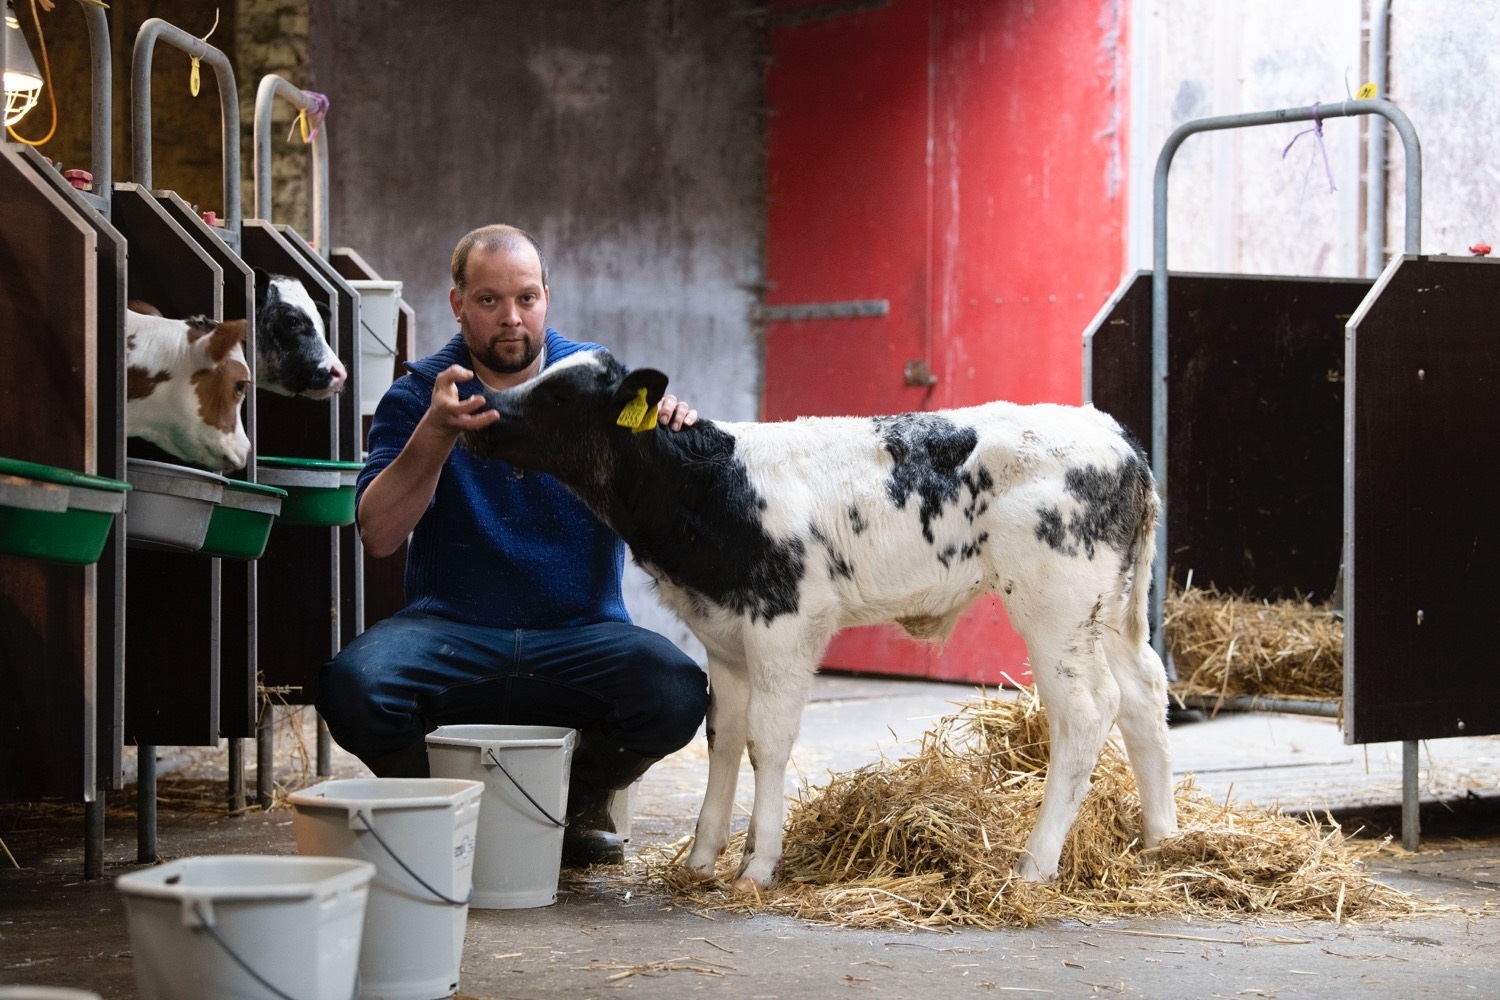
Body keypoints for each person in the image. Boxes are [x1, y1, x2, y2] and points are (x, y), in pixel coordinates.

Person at [317, 223, 710, 867]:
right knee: (353, 687)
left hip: (580, 632)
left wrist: (671, 434)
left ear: (547, 298)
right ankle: (437, 814)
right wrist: (436, 433)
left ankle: (574, 804)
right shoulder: (421, 393)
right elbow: (379, 533)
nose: (511, 319)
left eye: (526, 299)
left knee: (676, 690)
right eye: (490, 301)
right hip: (452, 632)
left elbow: (669, 522)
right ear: (457, 304)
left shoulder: (601, 387)